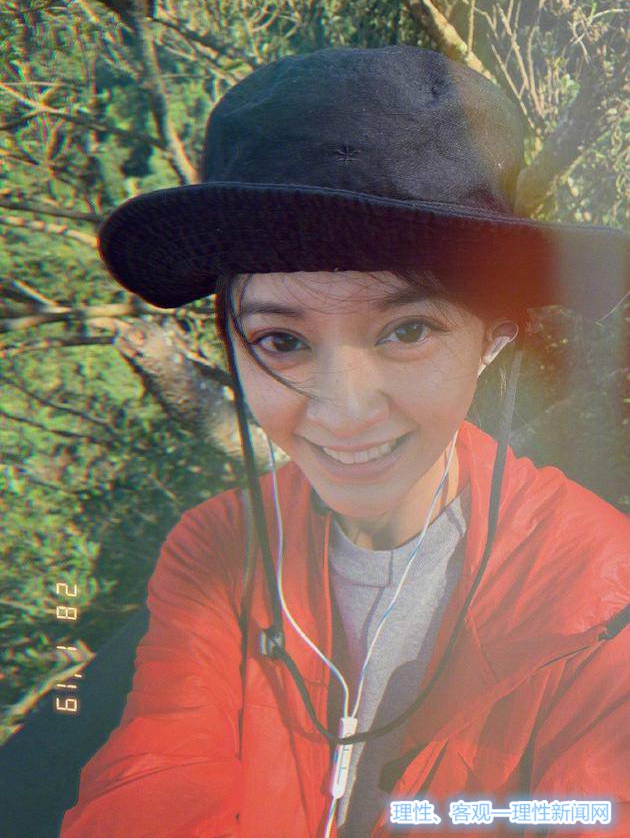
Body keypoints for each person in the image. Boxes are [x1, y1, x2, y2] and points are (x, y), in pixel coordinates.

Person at [60, 46, 628, 837]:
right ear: (231, 346)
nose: (346, 410)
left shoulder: (604, 594)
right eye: (282, 342)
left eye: (408, 330)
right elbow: (153, 779)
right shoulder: (220, 543)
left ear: (493, 336)